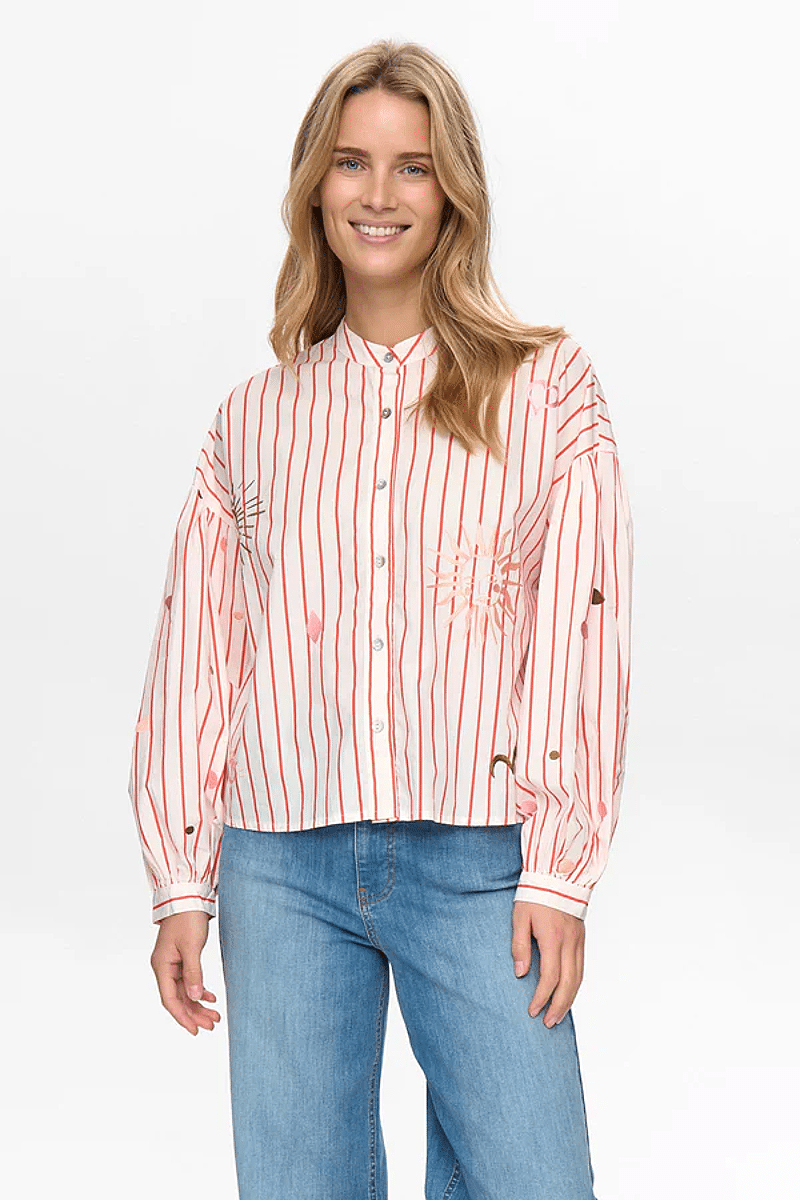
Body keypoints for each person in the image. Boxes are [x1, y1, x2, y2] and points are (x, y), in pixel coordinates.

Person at [128, 38, 634, 1200]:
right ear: (315, 185)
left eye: (413, 166)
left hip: (477, 857)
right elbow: (200, 653)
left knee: (535, 1180)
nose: (379, 193)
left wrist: (558, 872)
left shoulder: (546, 390)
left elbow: (580, 625)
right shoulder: (252, 420)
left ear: (452, 191)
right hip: (279, 866)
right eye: (352, 161)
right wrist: (182, 882)